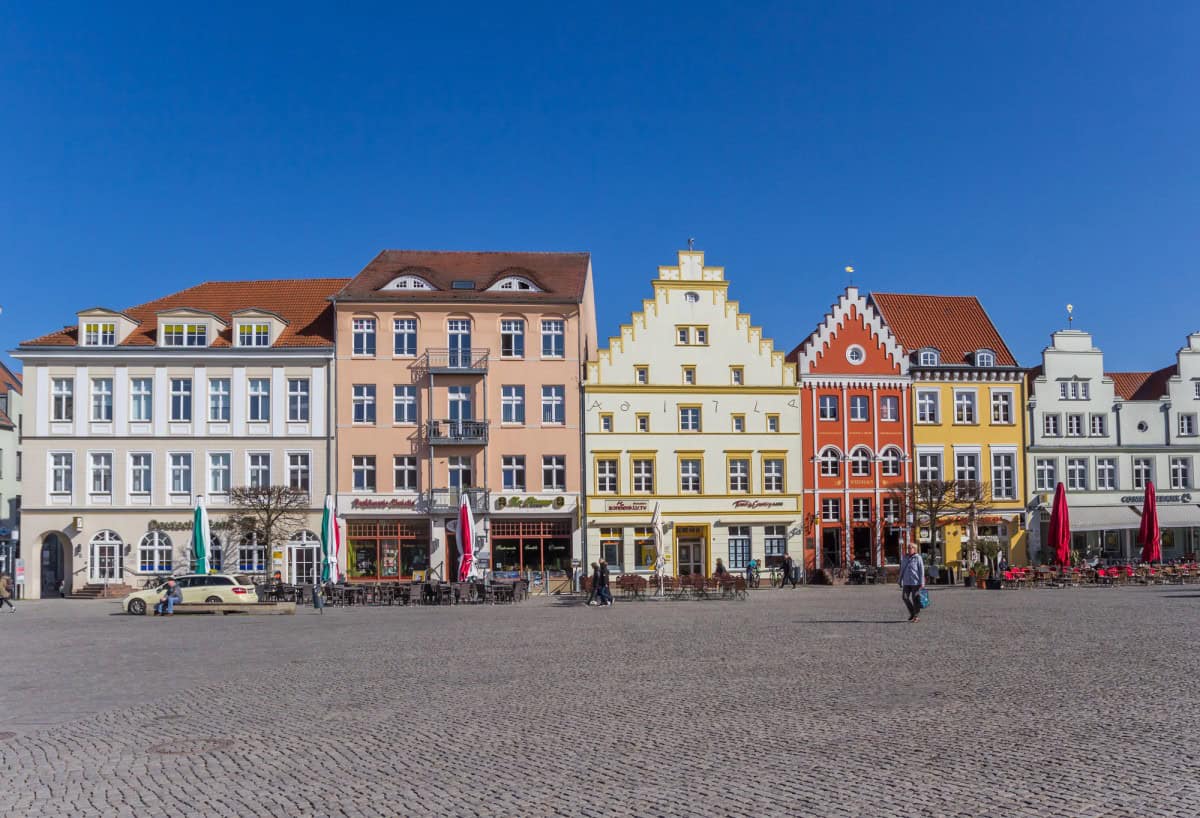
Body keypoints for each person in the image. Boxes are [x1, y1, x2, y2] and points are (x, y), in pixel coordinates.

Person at [899, 543, 926, 622]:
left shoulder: (918, 558)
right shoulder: (905, 557)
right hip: (906, 581)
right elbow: (902, 569)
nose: (909, 549)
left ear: (915, 549)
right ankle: (912, 613)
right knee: (905, 597)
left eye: (910, 548)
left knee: (915, 598)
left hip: (916, 582)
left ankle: (916, 616)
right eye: (908, 548)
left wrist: (922, 582)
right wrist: (900, 580)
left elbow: (921, 571)